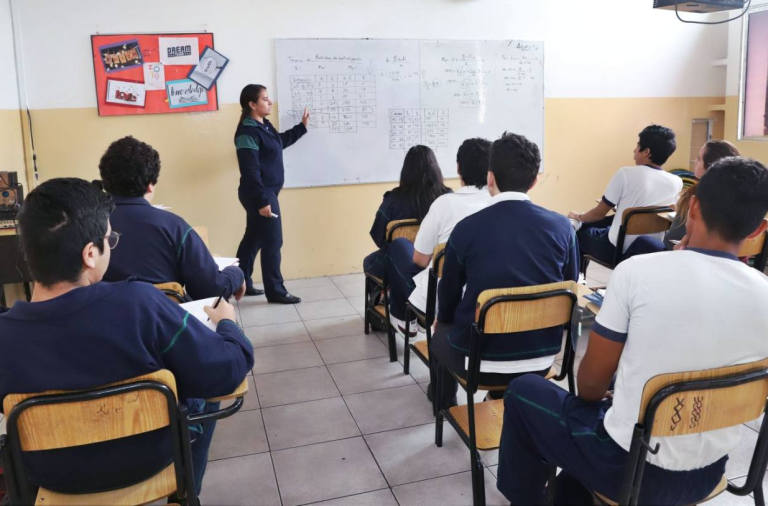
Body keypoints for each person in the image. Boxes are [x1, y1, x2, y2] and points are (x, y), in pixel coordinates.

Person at [497, 157, 768, 505]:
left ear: (694, 207)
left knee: (523, 391)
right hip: (708, 474)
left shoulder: (638, 272)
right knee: (577, 469)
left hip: (628, 468)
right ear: (759, 229)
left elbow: (591, 385)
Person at [0, 178, 254, 496]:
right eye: (111, 239)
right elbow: (228, 371)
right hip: (148, 462)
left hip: (53, 480)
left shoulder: (5, 335)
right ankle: (188, 494)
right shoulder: (139, 304)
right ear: (90, 253)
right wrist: (228, 323)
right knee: (199, 391)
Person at [429, 132, 579, 408]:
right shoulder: (563, 227)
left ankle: (443, 404)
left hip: (480, 362)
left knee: (439, 333)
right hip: (543, 358)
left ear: (490, 178)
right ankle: (502, 396)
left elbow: (448, 295)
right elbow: (570, 285)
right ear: (534, 181)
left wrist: (443, 319)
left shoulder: (467, 229)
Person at [100, 136, 246, 301]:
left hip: (96, 323)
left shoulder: (82, 226)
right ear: (150, 184)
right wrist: (236, 274)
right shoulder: (173, 226)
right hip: (163, 324)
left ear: (106, 182)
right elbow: (211, 290)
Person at [386, 138, 492, 336]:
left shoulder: (445, 204)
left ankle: (402, 315)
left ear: (458, 168)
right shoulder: (500, 205)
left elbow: (420, 259)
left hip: (444, 300)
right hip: (491, 300)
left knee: (398, 247)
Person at [234, 84, 309, 303]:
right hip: (260, 194)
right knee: (273, 242)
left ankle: (241, 282)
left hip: (263, 193)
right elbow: (250, 170)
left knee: (253, 238)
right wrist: (262, 200)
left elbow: (279, 142)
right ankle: (275, 291)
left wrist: (301, 127)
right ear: (252, 104)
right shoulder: (247, 132)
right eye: (265, 99)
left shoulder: (263, 125)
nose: (270, 102)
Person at [568, 125, 682, 267]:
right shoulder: (677, 181)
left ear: (646, 151)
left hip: (616, 250)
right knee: (609, 221)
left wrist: (577, 217)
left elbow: (598, 214)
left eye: (638, 146)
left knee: (576, 232)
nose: (634, 150)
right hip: (649, 250)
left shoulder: (625, 174)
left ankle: (577, 280)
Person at [363, 144, 451, 285]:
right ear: (435, 168)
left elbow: (378, 237)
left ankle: (383, 298)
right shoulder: (447, 197)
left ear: (406, 170)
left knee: (369, 261)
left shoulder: (393, 200)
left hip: (398, 262)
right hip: (436, 263)